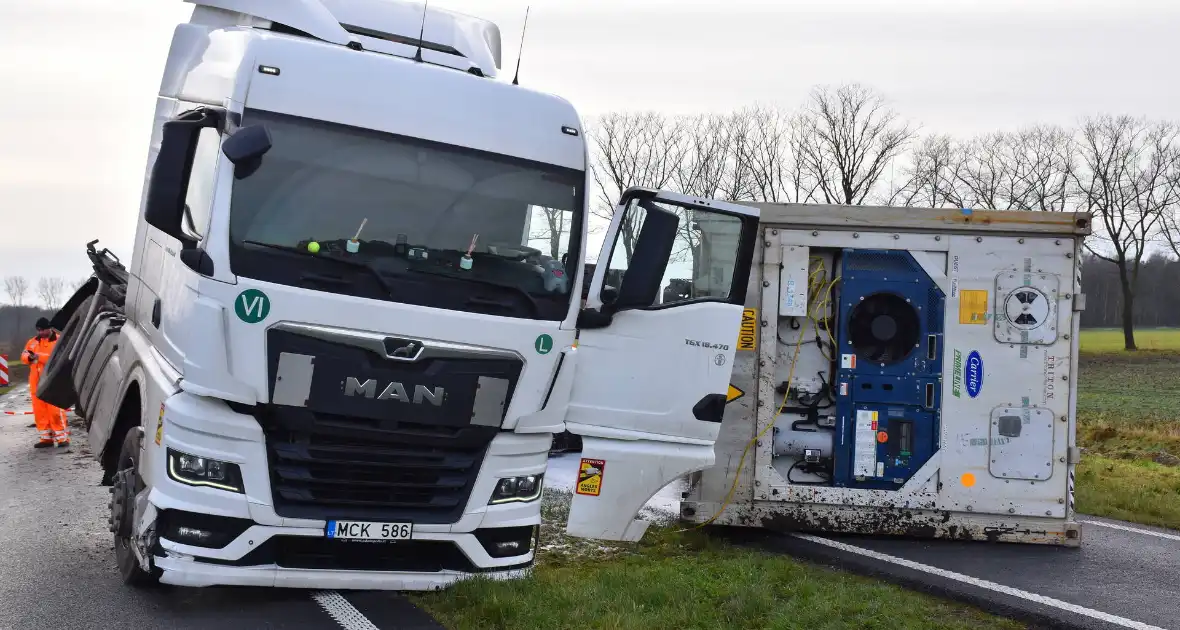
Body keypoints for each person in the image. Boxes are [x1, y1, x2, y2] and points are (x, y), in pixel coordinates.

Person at [21, 318, 70, 449]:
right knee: (40, 412)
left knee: (55, 411)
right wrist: (29, 357)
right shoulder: (32, 342)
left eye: (43, 330)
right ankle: (46, 438)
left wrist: (38, 357)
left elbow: (59, 359)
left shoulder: (59, 341)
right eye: (39, 330)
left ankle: (62, 438)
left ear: (49, 328)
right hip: (36, 383)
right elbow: (24, 356)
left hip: (53, 382)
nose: (41, 332)